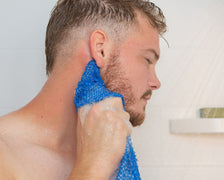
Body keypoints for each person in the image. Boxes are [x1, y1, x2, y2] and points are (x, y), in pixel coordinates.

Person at [0, 0, 166, 179]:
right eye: (148, 60)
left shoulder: (114, 151)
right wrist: (94, 167)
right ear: (100, 48)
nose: (156, 83)